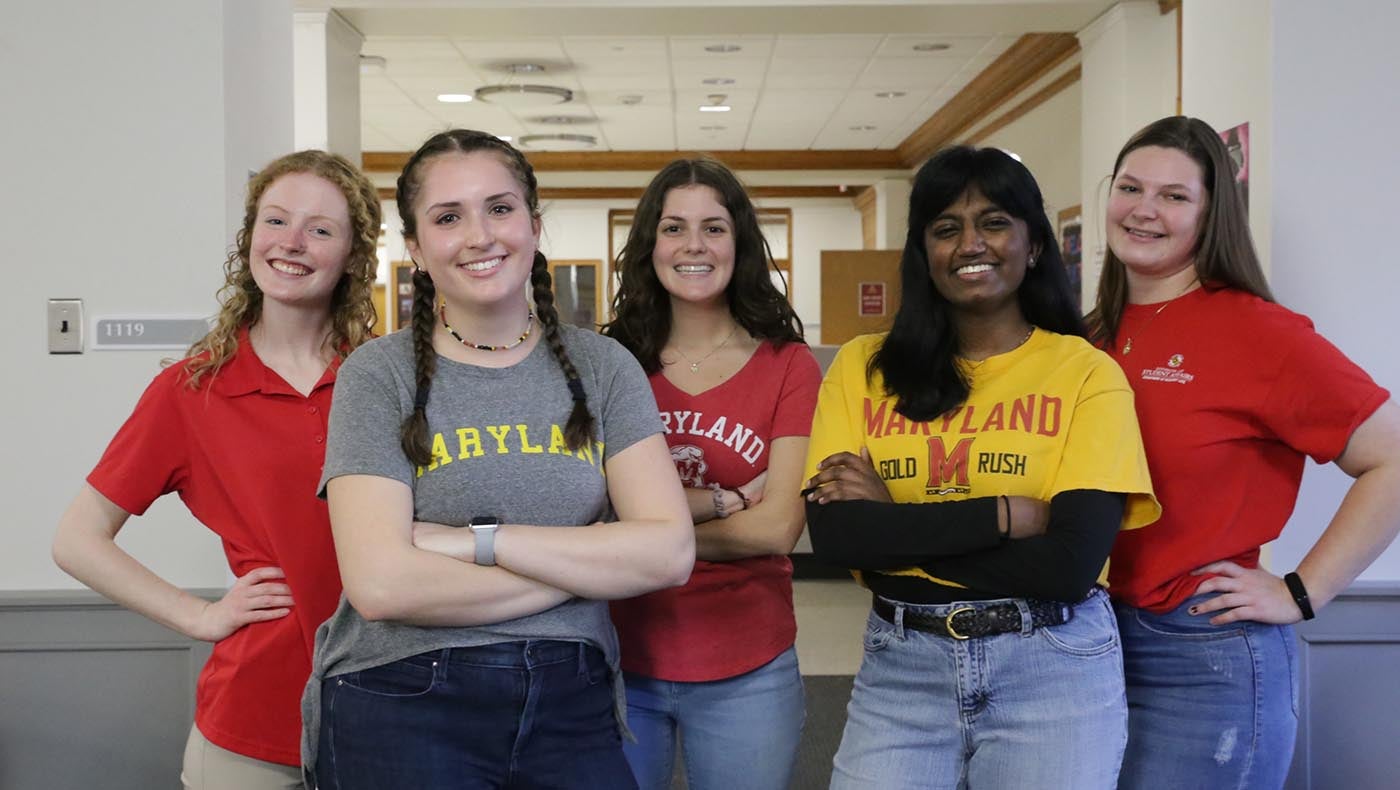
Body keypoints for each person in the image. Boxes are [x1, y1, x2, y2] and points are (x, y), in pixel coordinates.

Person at [304, 129, 693, 789]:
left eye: (500, 208)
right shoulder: (379, 374)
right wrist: (591, 562)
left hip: (572, 698)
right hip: (400, 694)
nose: (480, 234)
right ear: (416, 249)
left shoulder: (603, 367)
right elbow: (382, 586)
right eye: (448, 217)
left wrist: (474, 543)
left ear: (535, 226)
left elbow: (669, 554)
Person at [803, 146, 1160, 789]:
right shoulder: (862, 368)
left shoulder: (1085, 373)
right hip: (902, 669)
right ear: (924, 253)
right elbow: (837, 537)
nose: (971, 243)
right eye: (946, 228)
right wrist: (1002, 516)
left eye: (994, 222)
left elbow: (1067, 566)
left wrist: (895, 524)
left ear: (1034, 245)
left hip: (1052, 667)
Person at [51, 150, 382, 789]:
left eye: (320, 229)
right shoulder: (191, 390)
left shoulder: (387, 378)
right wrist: (198, 617)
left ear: (351, 255)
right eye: (275, 220)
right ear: (250, 236)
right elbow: (75, 539)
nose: (292, 242)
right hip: (253, 725)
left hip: (397, 710)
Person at [1090, 115, 1400, 789]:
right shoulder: (1091, 336)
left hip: (1203, 656)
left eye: (1174, 196)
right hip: (1089, 641)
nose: (1144, 209)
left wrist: (1303, 590)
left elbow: (1393, 458)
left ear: (1211, 214)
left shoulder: (1259, 332)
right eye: (1130, 187)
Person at [603, 157, 820, 790]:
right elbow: (584, 514)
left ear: (740, 243)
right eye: (673, 228)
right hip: (620, 658)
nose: (693, 245)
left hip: (748, 663)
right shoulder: (609, 362)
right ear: (649, 245)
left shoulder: (790, 366)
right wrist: (725, 502)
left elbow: (779, 528)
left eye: (714, 228)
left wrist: (635, 540)